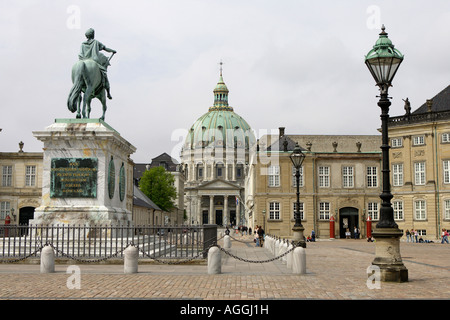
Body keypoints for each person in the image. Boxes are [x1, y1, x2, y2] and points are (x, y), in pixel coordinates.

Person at [78, 28, 116, 99]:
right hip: (94, 61)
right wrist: (113, 51)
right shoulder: (95, 42)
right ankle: (108, 92)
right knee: (104, 74)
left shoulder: (83, 44)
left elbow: (80, 54)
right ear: (93, 35)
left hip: (83, 60)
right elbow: (105, 48)